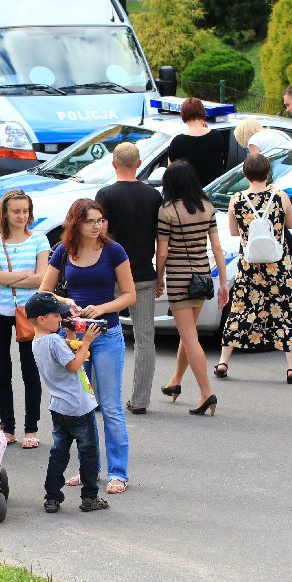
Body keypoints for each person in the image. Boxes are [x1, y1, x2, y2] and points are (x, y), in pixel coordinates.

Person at [39, 198, 135, 495]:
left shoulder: (113, 250)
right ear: (75, 223)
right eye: (90, 221)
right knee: (82, 405)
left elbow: (129, 295)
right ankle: (88, 469)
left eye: (100, 220)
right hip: (74, 338)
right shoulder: (64, 251)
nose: (97, 226)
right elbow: (44, 292)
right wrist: (67, 302)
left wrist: (102, 308)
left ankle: (118, 472)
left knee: (110, 406)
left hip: (106, 335)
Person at [216, 154, 292, 383]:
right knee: (285, 311)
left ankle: (223, 361)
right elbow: (291, 224)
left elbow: (235, 232)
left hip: (249, 265)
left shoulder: (236, 199)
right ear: (268, 173)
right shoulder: (280, 196)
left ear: (245, 174)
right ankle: (291, 367)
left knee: (240, 309)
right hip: (278, 265)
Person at [155, 161, 228, 416]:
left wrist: (159, 277)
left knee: (188, 336)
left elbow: (162, 251)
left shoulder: (168, 210)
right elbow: (217, 248)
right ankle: (175, 380)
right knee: (190, 334)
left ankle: (207, 392)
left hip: (179, 277)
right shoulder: (207, 206)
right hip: (202, 275)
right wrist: (223, 283)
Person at [95, 143, 162, 415]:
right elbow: (161, 239)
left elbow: (100, 234)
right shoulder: (153, 196)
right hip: (144, 274)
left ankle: (99, 397)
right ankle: (140, 400)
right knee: (145, 337)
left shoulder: (106, 195)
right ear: (140, 163)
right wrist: (161, 274)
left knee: (101, 332)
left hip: (110, 274)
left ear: (113, 164)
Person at [28, 291, 109, 513]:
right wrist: (88, 341)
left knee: (59, 452)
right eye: (56, 316)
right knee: (89, 452)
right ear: (43, 319)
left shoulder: (38, 342)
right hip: (78, 407)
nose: (60, 319)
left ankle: (52, 497)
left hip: (59, 407)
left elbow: (65, 347)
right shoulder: (54, 341)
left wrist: (72, 332)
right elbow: (73, 365)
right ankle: (90, 497)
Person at [0, 189, 51, 446]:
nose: (22, 216)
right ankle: (7, 427)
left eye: (25, 211)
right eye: (16, 211)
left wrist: (8, 276)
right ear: (6, 213)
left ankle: (31, 429)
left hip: (29, 312)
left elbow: (42, 277)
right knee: (2, 371)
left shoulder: (40, 239)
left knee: (30, 370)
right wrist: (26, 274)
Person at [166, 97, 229, 187]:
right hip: (212, 191)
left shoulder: (178, 142)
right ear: (202, 112)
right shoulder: (217, 136)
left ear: (183, 115)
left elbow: (170, 172)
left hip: (189, 194)